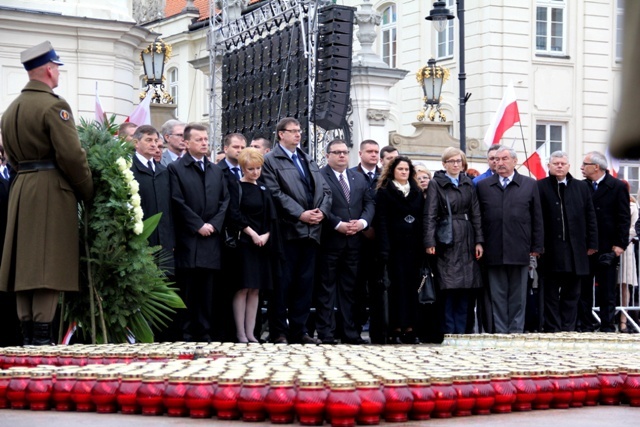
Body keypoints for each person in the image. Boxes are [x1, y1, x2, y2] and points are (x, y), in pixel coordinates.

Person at [0, 41, 94, 345]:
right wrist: (87, 189)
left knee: (25, 267)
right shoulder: (55, 105)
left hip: (22, 187)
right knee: (47, 266)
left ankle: (29, 336)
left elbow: (12, 159)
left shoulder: (10, 110)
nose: (58, 75)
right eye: (57, 69)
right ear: (49, 69)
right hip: (50, 190)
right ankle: (41, 341)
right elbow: (71, 156)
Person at [261, 117, 332, 344]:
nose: (298, 135)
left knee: (304, 284)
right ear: (281, 134)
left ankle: (299, 331)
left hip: (311, 232)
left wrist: (321, 211)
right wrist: (300, 213)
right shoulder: (270, 160)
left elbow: (325, 190)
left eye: (299, 131)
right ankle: (279, 331)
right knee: (283, 285)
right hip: (287, 232)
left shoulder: (307, 159)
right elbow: (274, 193)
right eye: (292, 131)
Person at [167, 123, 229, 342]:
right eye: (199, 139)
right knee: (188, 290)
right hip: (189, 240)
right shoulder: (176, 168)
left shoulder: (215, 169)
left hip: (211, 239)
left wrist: (213, 224)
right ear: (186, 143)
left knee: (207, 291)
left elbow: (225, 200)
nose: (204, 143)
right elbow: (177, 200)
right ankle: (184, 333)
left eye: (206, 139)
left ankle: (204, 332)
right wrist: (197, 225)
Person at [476, 147, 543, 334]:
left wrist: (536, 246)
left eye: (504, 158)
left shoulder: (529, 184)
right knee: (497, 294)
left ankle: (515, 330)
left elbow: (536, 218)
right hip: (493, 248)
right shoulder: (483, 186)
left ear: (514, 161)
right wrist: (479, 242)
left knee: (518, 295)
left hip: (520, 248)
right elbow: (478, 218)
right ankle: (500, 330)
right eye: (496, 159)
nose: (500, 163)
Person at [316, 139, 374, 345]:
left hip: (354, 242)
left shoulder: (357, 178)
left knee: (350, 290)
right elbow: (319, 204)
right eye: (337, 152)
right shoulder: (320, 176)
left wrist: (363, 222)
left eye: (344, 152)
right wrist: (337, 224)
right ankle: (326, 332)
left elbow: (368, 203)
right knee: (327, 289)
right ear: (327, 155)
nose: (342, 156)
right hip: (330, 241)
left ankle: (350, 332)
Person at [424, 147, 483, 334]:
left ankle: (463, 331)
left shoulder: (468, 183)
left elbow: (476, 214)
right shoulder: (436, 183)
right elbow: (430, 214)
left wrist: (479, 241)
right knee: (448, 288)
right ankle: (449, 331)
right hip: (446, 238)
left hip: (467, 237)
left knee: (466, 287)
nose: (456, 164)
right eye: (452, 161)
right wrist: (429, 241)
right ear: (444, 164)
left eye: (459, 161)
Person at [537, 151, 598, 333]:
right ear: (549, 166)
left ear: (569, 166)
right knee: (550, 294)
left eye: (563, 163)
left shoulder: (581, 187)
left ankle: (568, 328)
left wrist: (592, 244)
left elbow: (590, 217)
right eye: (556, 163)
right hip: (550, 251)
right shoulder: (540, 187)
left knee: (572, 293)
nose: (560, 166)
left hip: (576, 251)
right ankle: (553, 328)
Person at [228, 148, 280, 343]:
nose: (255, 172)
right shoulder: (236, 186)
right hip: (244, 244)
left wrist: (265, 235)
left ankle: (251, 332)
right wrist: (252, 233)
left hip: (261, 245)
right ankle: (240, 332)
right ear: (243, 168)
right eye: (251, 169)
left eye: (258, 168)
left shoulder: (263, 189)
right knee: (243, 287)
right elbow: (234, 214)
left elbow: (272, 216)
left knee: (256, 289)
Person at [578, 151, 630, 332]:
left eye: (585, 164)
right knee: (583, 288)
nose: (581, 168)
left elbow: (624, 218)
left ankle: (607, 325)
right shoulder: (581, 186)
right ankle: (585, 324)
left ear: (596, 167)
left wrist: (620, 245)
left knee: (607, 290)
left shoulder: (617, 186)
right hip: (585, 247)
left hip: (608, 247)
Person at [375, 156, 424, 344]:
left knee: (412, 288)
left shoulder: (417, 192)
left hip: (413, 247)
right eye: (400, 169)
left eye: (406, 169)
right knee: (396, 288)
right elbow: (382, 221)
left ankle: (410, 328)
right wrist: (384, 248)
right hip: (394, 248)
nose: (404, 172)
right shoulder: (385, 192)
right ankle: (395, 328)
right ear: (393, 171)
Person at [618, 180, 638, 333]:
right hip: (611, 247)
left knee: (624, 284)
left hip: (626, 247)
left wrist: (621, 240)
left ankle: (623, 320)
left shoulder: (632, 207)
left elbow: (634, 228)